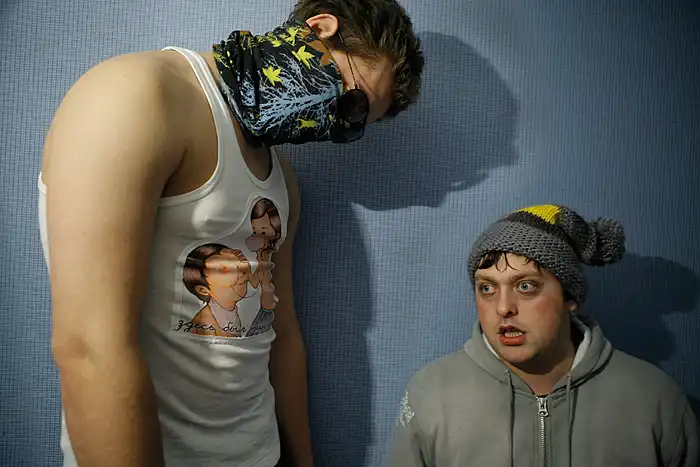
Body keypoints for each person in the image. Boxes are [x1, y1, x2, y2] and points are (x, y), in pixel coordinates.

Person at [37, 0, 424, 466]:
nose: (336, 124)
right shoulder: (138, 94)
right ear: (320, 28)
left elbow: (279, 333)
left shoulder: (281, 178)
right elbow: (88, 348)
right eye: (353, 101)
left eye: (352, 126)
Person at [387, 204, 698, 467]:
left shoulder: (654, 398)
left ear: (569, 297)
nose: (503, 308)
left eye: (526, 286)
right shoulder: (432, 393)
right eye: (487, 288)